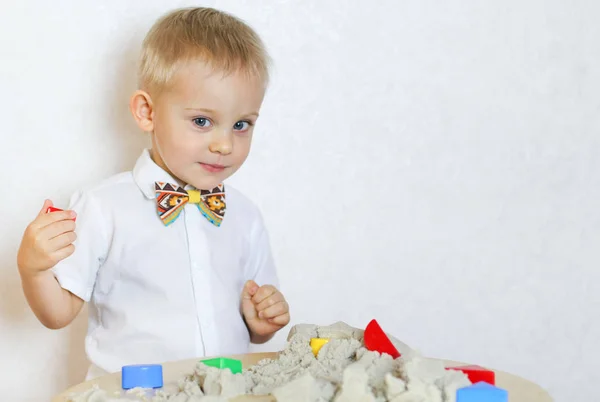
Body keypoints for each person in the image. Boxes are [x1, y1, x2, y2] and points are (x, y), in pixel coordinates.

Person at [16, 6, 290, 380]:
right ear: (147, 111)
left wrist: (264, 321)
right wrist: (34, 269)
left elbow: (255, 327)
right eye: (202, 121)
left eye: (241, 124)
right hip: (133, 393)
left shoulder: (245, 216)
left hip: (227, 390)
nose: (225, 144)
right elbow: (57, 313)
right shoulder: (103, 207)